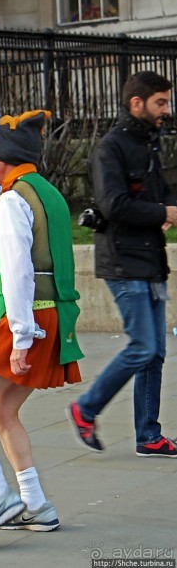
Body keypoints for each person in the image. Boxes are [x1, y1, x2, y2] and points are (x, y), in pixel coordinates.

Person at [0, 110, 83, 546]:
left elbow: (21, 272)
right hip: (53, 316)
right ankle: (37, 505)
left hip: (29, 317)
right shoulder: (45, 192)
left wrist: (21, 336)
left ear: (5, 156)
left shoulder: (10, 200)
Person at [67, 71, 177, 458]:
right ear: (137, 103)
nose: (167, 109)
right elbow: (113, 205)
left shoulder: (150, 145)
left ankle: (149, 435)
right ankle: (86, 408)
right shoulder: (109, 148)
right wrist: (162, 211)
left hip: (152, 262)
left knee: (156, 351)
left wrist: (163, 209)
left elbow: (159, 194)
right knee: (143, 346)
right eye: (160, 102)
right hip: (124, 263)